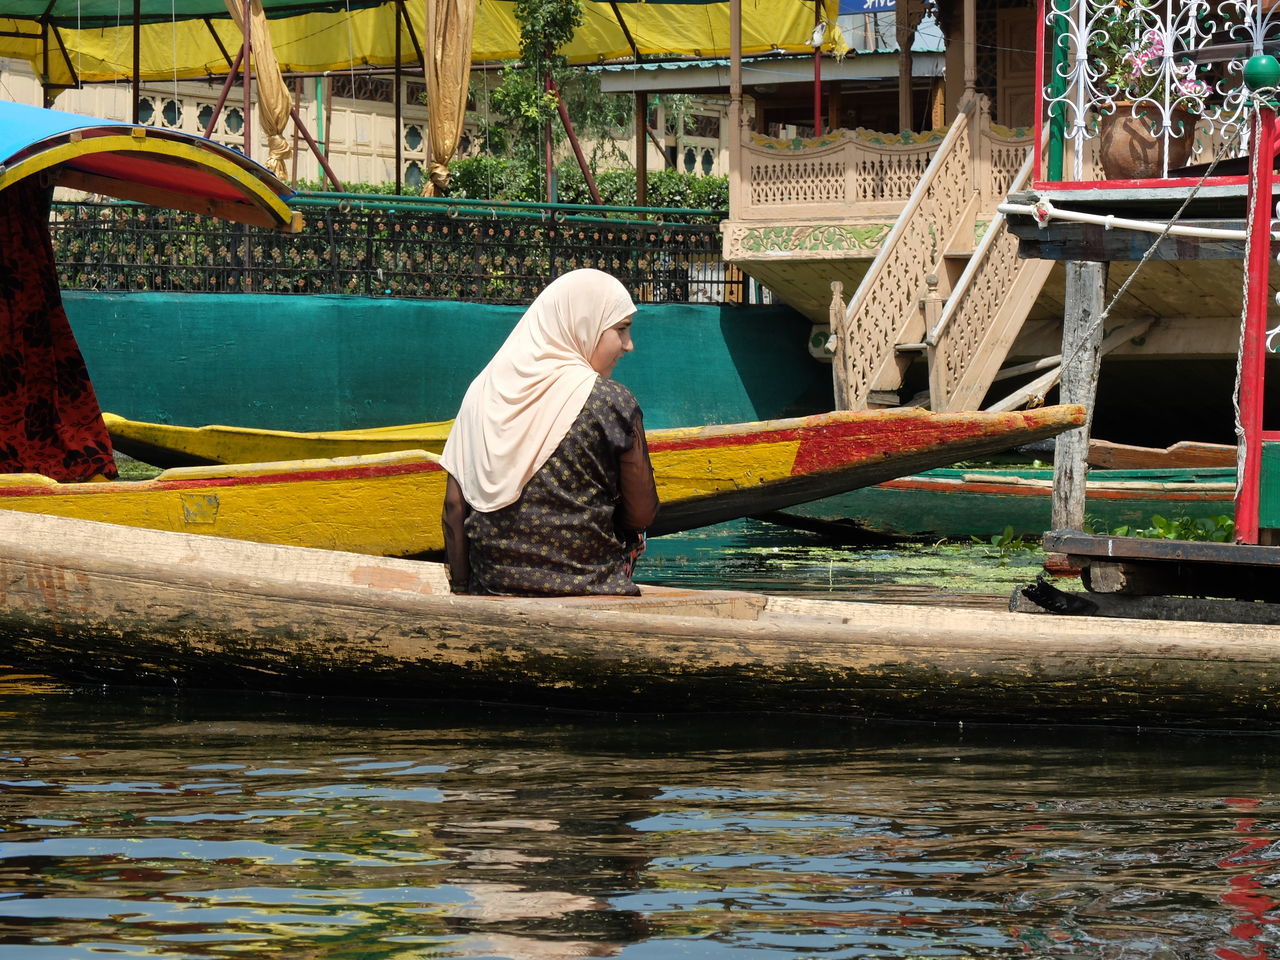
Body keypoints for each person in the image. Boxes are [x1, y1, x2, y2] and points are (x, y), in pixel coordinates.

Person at [440, 269, 659, 596]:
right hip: (591, 586)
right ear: (584, 325)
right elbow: (642, 513)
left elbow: (454, 507)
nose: (629, 345)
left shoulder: (482, 393)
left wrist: (461, 587)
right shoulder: (613, 401)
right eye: (621, 330)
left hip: (493, 588)